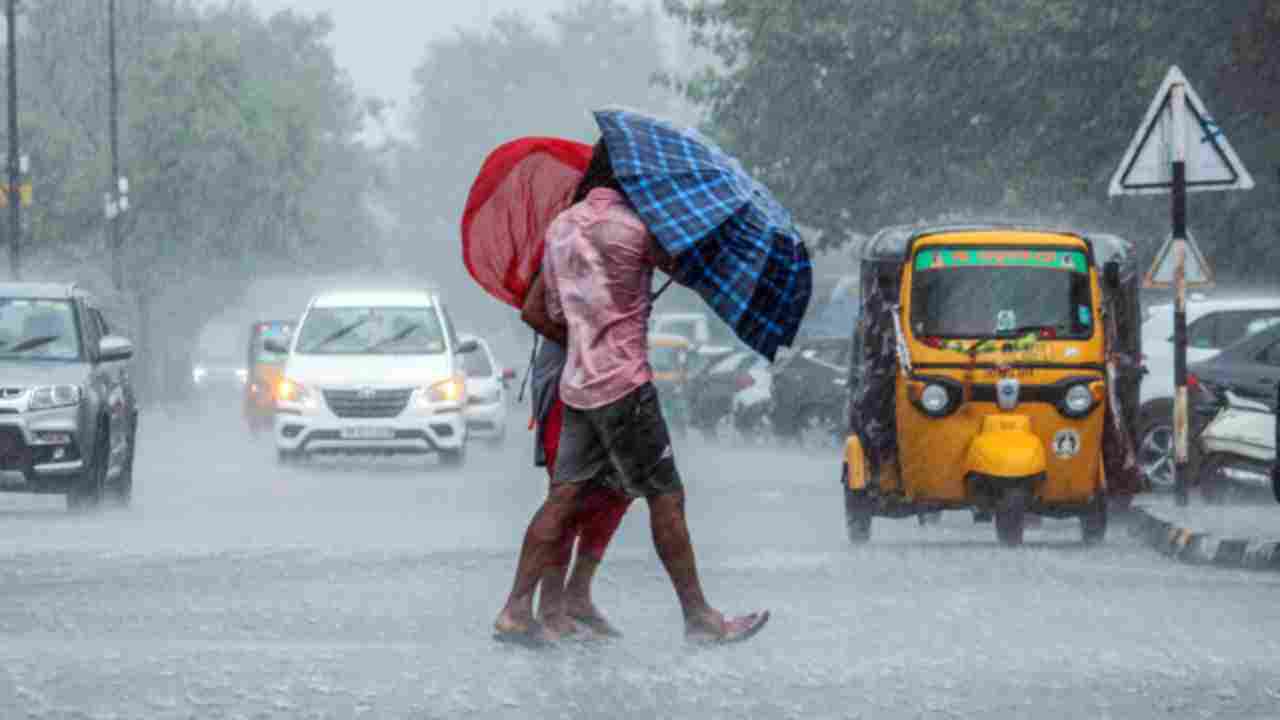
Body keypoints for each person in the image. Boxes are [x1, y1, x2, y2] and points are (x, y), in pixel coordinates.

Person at [494, 140, 770, 646]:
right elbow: (690, 270)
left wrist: (585, 339)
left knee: (561, 499)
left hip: (577, 386)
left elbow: (548, 310)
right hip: (625, 387)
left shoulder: (561, 229)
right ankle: (700, 617)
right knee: (666, 498)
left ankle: (515, 609)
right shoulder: (637, 229)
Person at [519, 273, 633, 640]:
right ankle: (548, 605)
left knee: (618, 488)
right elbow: (534, 312)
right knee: (568, 493)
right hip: (568, 384)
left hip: (614, 381)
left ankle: (577, 595)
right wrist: (587, 341)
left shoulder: (625, 241)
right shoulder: (566, 237)